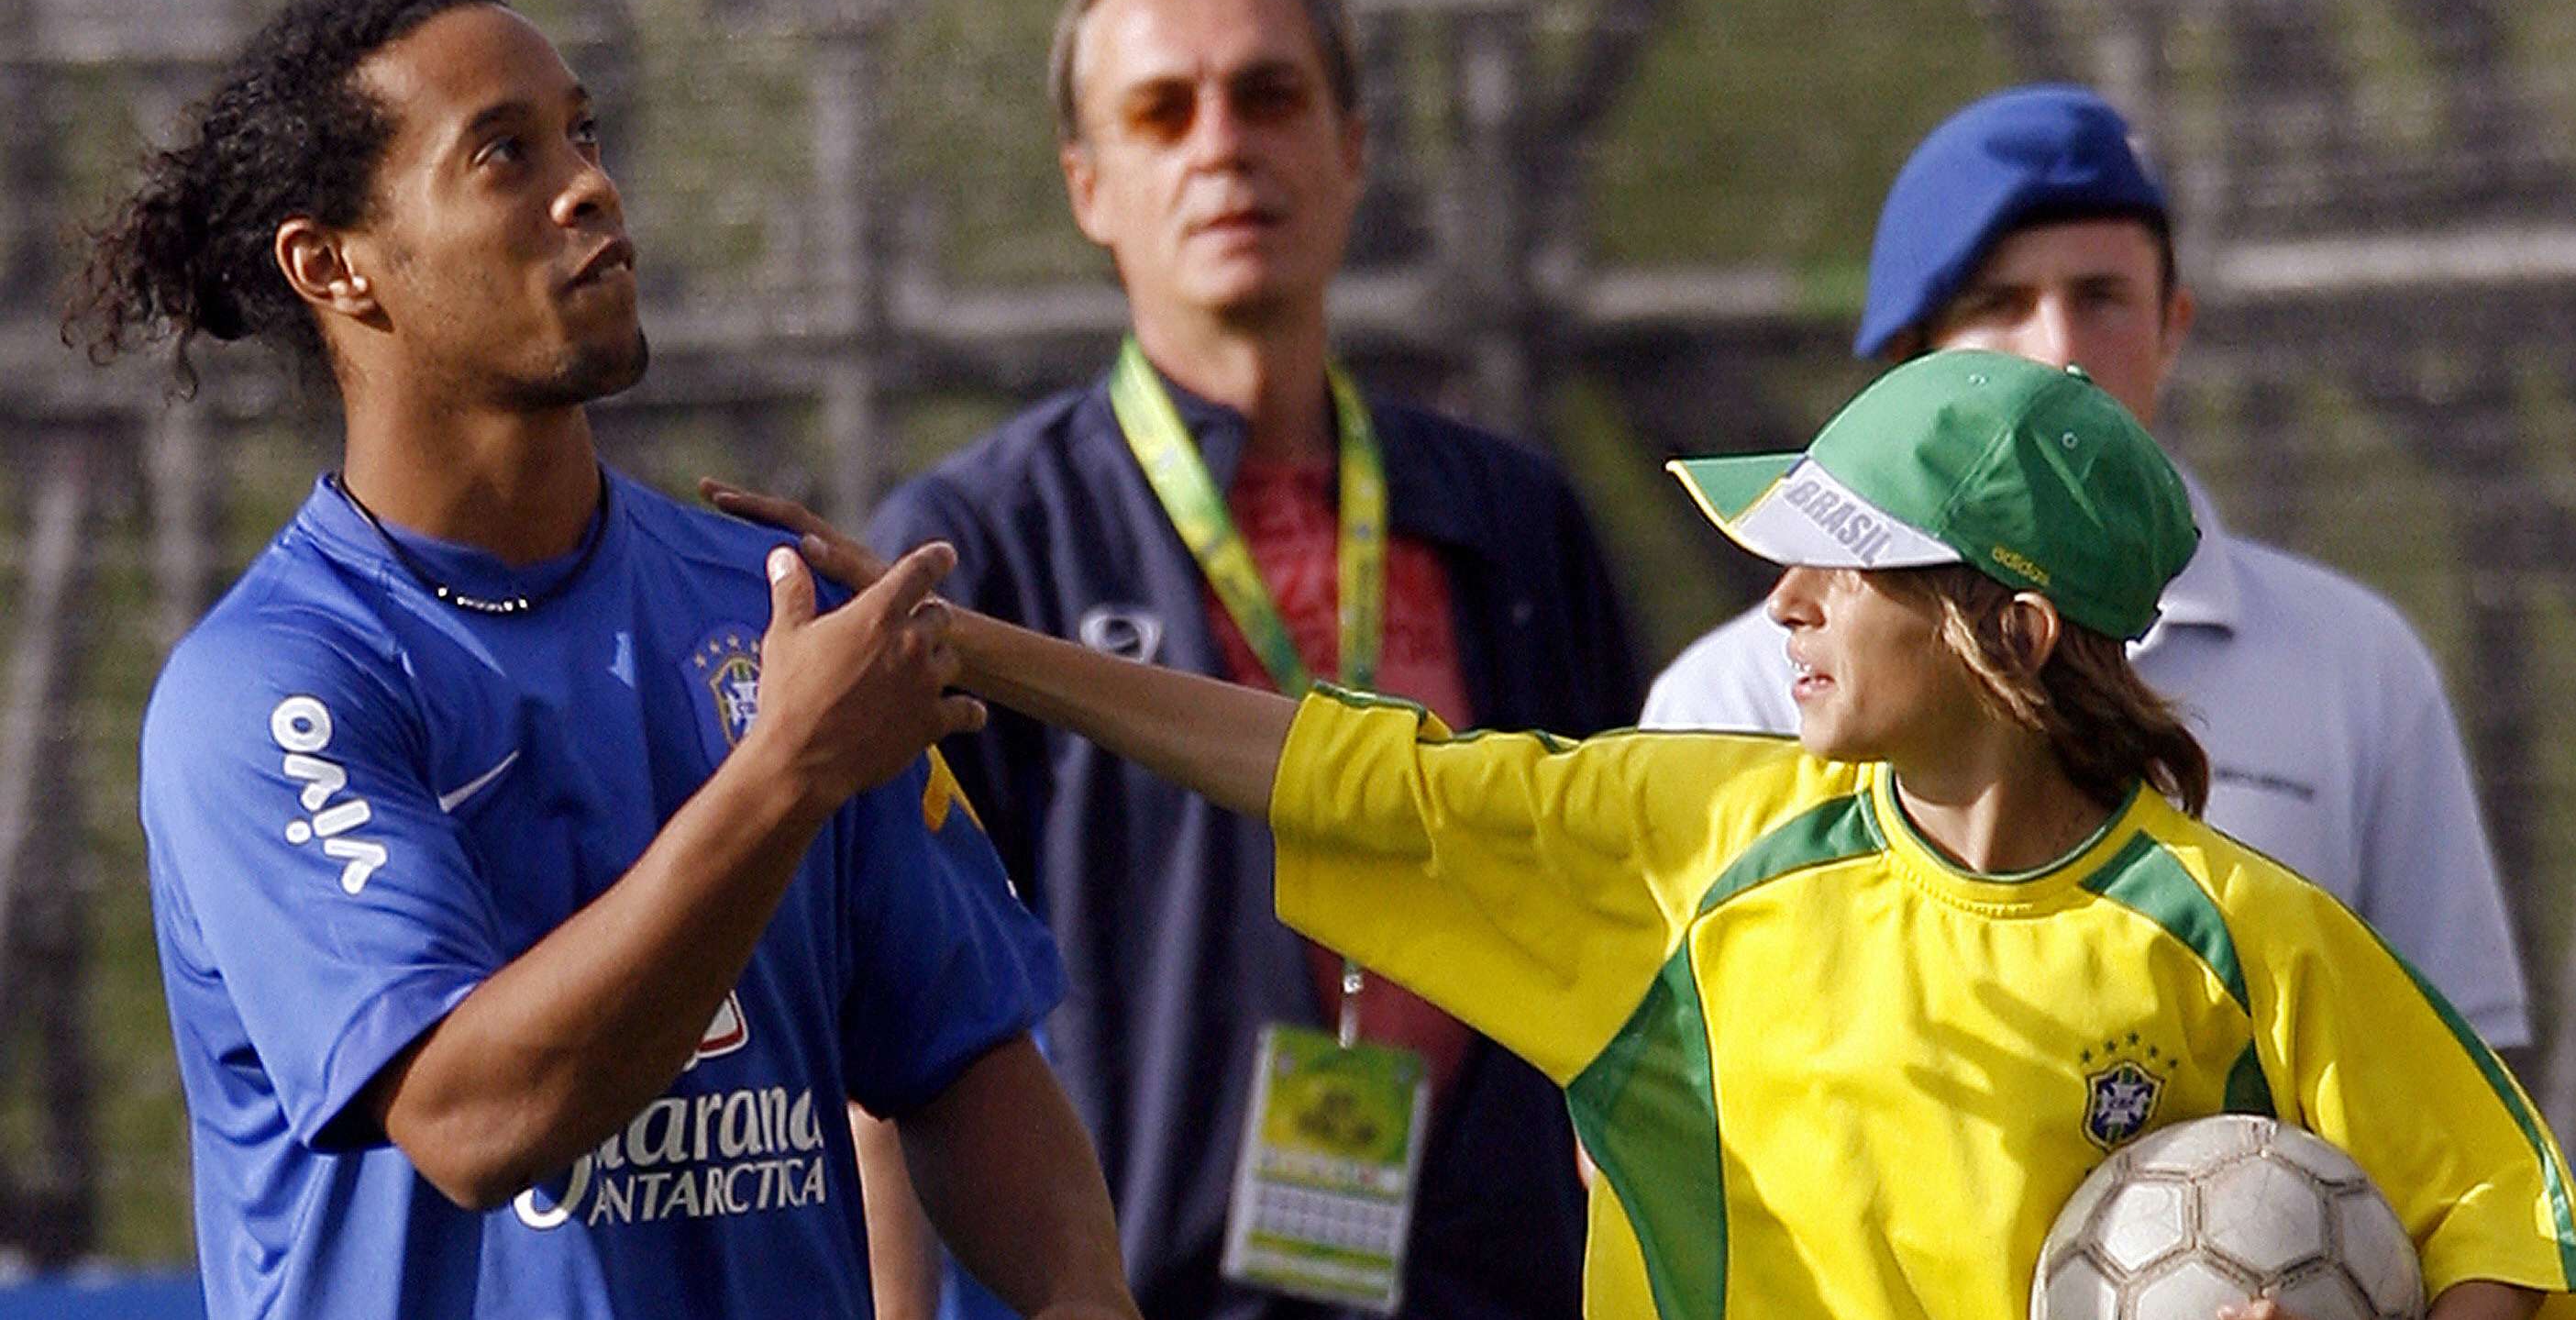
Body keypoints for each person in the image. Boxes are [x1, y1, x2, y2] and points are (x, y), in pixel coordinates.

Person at [711, 347, 2576, 1320]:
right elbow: (1350, 769)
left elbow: (2502, 1209)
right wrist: (967, 645)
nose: (1779, 601)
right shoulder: (1693, 845)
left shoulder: (2240, 931)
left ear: (2010, 633)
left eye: (1840, 565)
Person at [68, 0, 1136, 1320]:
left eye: (583, 134)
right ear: (332, 264)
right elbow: (469, 1118)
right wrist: (782, 775)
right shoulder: (274, 688)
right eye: (503, 154)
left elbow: (965, 1055)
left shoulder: (763, 615)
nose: (588, 186)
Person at [856, 0, 1640, 1320]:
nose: (1223, 143)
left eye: (1269, 95)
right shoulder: (974, 549)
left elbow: (1636, 931)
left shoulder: (1514, 517)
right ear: (1089, 187)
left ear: (1351, 148)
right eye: (1162, 111)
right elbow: (891, 1015)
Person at [1641, 83, 2532, 1056]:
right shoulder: (1732, 695)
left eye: (2100, 298)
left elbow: (2461, 1071)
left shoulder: (2357, 661)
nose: (2059, 352)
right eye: (2000, 305)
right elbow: (1653, 1111)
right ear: (1908, 357)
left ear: (2172, 325)